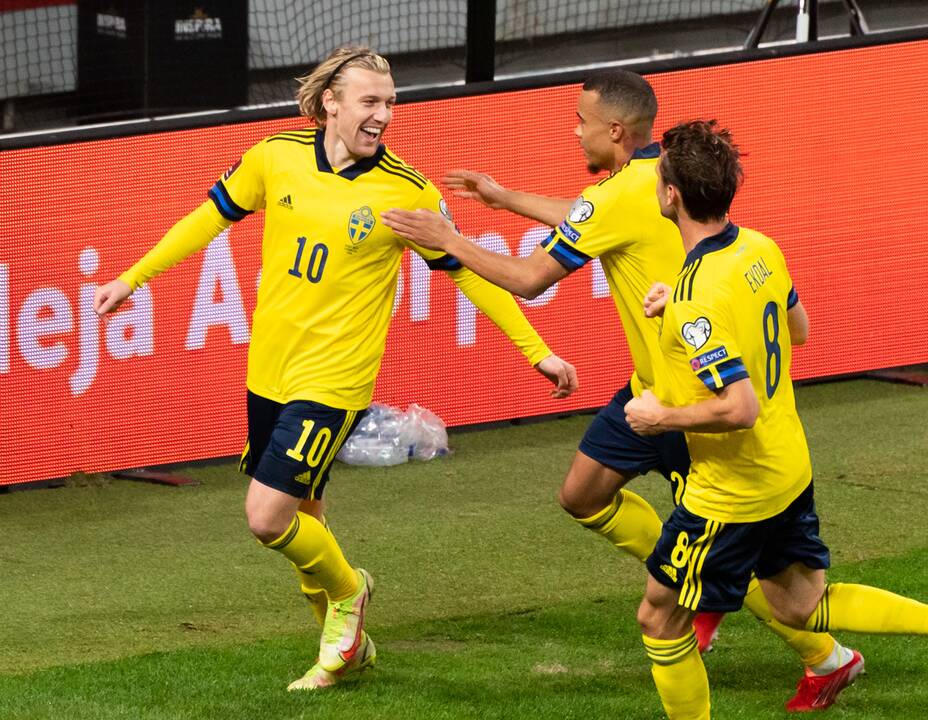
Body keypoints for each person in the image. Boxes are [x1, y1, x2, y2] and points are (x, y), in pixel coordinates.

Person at [94, 45, 577, 691]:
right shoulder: (275, 157)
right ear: (331, 103)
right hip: (270, 370)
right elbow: (207, 220)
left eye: (390, 103)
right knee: (307, 520)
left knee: (266, 517)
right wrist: (133, 277)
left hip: (336, 380)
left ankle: (351, 593)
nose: (384, 115)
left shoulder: (407, 192)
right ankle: (348, 650)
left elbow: (468, 274)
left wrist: (537, 350)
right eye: (370, 101)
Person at [382, 70, 861, 710]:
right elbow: (589, 216)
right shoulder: (656, 181)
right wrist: (503, 198)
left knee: (729, 577)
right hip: (648, 388)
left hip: (688, 398)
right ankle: (704, 587)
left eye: (580, 121)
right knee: (582, 494)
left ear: (613, 130)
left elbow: (528, 279)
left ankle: (826, 654)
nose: (574, 131)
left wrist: (449, 241)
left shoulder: (633, 195)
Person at [624, 120, 928, 719]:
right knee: (801, 607)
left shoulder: (697, 295)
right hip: (787, 467)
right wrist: (686, 314)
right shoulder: (758, 249)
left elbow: (738, 407)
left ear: (671, 195)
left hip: (731, 494)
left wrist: (662, 414)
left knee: (659, 619)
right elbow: (798, 329)